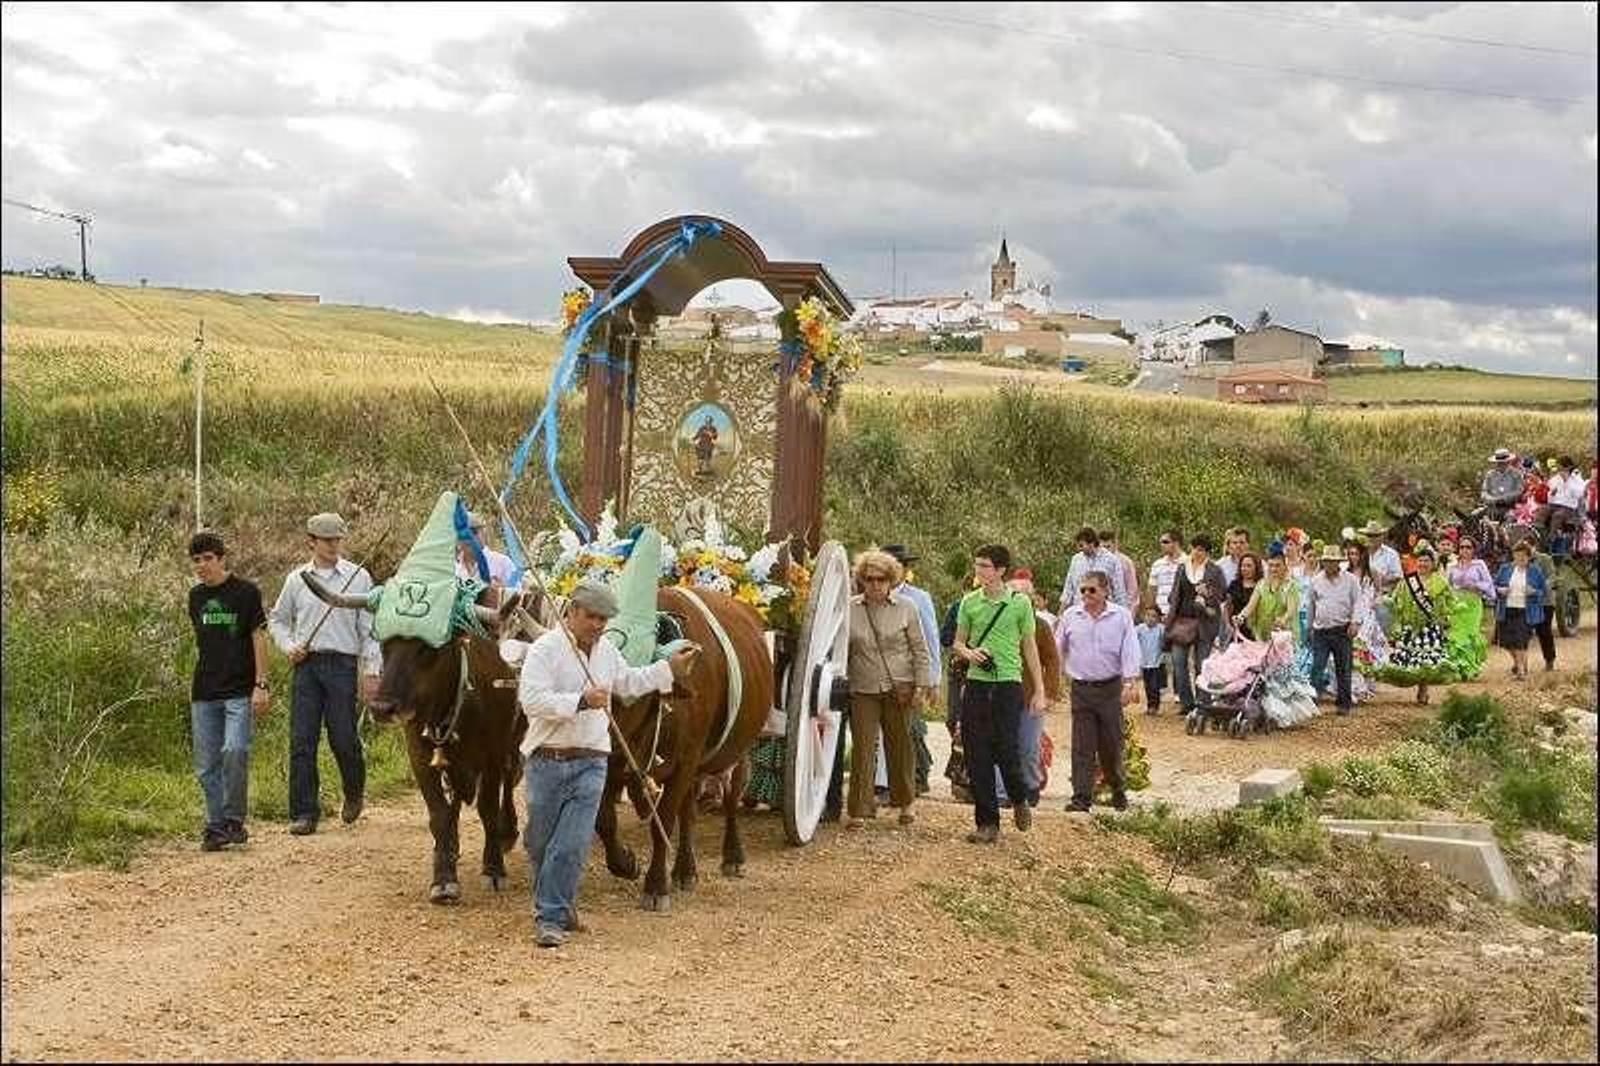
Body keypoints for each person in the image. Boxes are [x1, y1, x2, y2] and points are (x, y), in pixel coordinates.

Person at [517, 581, 695, 947]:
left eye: (603, 619)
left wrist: (668, 669)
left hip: (592, 761)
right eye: (592, 617)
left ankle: (550, 917)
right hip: (546, 759)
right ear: (572, 611)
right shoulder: (544, 650)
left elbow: (629, 683)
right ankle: (558, 903)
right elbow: (531, 700)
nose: (598, 625)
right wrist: (581, 701)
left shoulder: (607, 651)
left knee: (571, 845)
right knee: (540, 843)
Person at [268, 512, 381, 836]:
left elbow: (369, 629)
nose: (333, 545)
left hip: (342, 665)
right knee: (302, 740)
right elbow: (277, 620)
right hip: (306, 666)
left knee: (343, 737)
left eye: (337, 539)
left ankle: (354, 790)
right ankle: (304, 812)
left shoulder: (358, 576)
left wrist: (371, 670)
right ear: (312, 542)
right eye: (327, 540)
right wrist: (289, 646)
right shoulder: (296, 579)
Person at [953, 544, 1045, 844]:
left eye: (985, 566)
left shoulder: (1019, 603)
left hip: (1008, 683)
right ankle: (987, 822)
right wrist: (969, 653)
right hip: (976, 682)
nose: (979, 570)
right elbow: (958, 642)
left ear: (1001, 570)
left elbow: (1030, 646)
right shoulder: (969, 602)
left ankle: (1018, 798)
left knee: (1007, 748)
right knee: (976, 750)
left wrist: (1039, 690)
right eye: (977, 565)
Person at [186, 531, 271, 852]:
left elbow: (258, 638)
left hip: (239, 690)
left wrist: (261, 684)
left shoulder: (246, 593)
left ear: (221, 559)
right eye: (196, 560)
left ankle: (234, 818)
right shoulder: (195, 597)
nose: (202, 565)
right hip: (204, 690)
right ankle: (216, 825)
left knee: (235, 750)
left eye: (208, 558)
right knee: (206, 763)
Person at [845, 550, 932, 829]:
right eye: (870, 579)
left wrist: (922, 685)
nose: (875, 584)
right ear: (862, 580)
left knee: (901, 745)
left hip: (899, 687)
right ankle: (859, 810)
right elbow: (840, 649)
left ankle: (906, 802)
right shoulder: (849, 608)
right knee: (863, 748)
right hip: (863, 687)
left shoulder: (907, 607)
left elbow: (920, 649)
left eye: (881, 579)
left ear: (891, 580)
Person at [1056, 570, 1142, 813]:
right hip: (1081, 689)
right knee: (1082, 746)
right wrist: (1053, 678)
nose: (1086, 594)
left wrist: (1130, 683)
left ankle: (1117, 787)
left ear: (1105, 591)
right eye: (1082, 590)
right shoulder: (1071, 616)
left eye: (1092, 590)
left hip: (1110, 689)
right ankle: (1081, 798)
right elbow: (1057, 647)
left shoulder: (1121, 616)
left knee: (1110, 745)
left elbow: (1130, 649)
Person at [1377, 542, 1485, 703]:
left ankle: (1423, 689)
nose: (1423, 563)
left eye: (1426, 561)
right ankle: (1419, 685)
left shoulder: (1440, 582)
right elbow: (1397, 599)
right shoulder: (1408, 581)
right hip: (1412, 626)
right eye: (1420, 560)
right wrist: (1389, 603)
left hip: (1430, 626)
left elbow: (1450, 600)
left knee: (1427, 659)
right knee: (1414, 657)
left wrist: (1456, 608)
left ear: (1432, 563)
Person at [883, 544, 940, 796]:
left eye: (898, 566)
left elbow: (930, 638)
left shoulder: (919, 598)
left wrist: (932, 680)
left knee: (910, 728)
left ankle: (917, 775)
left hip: (909, 675)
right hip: (876, 673)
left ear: (905, 570)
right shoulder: (869, 594)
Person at [1166, 534, 1227, 719]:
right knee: (1178, 662)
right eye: (1194, 548)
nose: (1196, 552)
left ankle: (1203, 704)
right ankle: (1187, 703)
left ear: (1207, 552)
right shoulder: (1182, 567)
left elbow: (1221, 596)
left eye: (1200, 549)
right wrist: (1170, 616)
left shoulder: (1215, 570)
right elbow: (1174, 594)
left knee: (1202, 665)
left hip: (1204, 623)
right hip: (1182, 621)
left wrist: (1207, 594)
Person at [1307, 545, 1360, 716]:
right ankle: (1311, 702)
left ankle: (1344, 704)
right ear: (1323, 562)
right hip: (1321, 631)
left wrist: (1355, 622)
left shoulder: (1351, 580)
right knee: (1317, 666)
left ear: (1339, 562)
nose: (1330, 564)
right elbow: (1311, 605)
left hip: (1342, 630)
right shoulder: (1316, 581)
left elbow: (1358, 602)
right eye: (1327, 561)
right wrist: (1309, 627)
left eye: (1333, 561)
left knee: (1343, 668)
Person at [1494, 540, 1549, 681]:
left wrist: (1534, 592)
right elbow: (1494, 585)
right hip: (1506, 610)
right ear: (1513, 555)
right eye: (1518, 555)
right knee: (1506, 642)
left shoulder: (1535, 571)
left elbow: (1544, 591)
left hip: (1525, 611)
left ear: (1529, 557)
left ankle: (1521, 672)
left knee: (1520, 641)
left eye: (1524, 556)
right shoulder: (1505, 568)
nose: (1520, 558)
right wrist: (1500, 590)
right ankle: (1520, 663)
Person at [1059, 527, 1129, 612]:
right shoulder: (1076, 560)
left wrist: (1124, 614)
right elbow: (1068, 589)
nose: (1079, 548)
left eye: (1081, 545)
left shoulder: (1111, 560)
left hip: (1104, 612)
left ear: (1091, 543)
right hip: (1079, 611)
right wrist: (1061, 613)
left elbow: (1119, 592)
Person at [1238, 550, 1298, 644]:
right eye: (1271, 565)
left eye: (1277, 565)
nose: (1273, 569)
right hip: (1262, 636)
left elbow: (1291, 610)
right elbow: (1250, 606)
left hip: (1283, 638)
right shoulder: (1261, 584)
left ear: (1284, 566)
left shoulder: (1290, 586)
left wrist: (1283, 619)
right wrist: (1241, 617)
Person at [456, 510, 516, 587]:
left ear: (483, 533)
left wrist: (499, 589)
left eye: (474, 532)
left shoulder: (503, 563)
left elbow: (517, 590)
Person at [1542, 456, 1587, 543]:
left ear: (1567, 468)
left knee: (1557, 515)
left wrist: (1567, 481)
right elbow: (1549, 496)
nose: (1560, 471)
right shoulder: (1555, 479)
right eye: (1559, 469)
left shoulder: (1577, 480)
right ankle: (1537, 534)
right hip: (1554, 505)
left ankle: (1551, 539)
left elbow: (1579, 495)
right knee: (1542, 510)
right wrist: (1551, 494)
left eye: (1562, 468)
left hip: (1569, 508)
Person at [1134, 605, 1167, 715]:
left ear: (1158, 618)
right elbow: (1131, 637)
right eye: (1148, 615)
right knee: (1147, 685)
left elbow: (1166, 641)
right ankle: (1150, 706)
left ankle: (1155, 706)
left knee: (1155, 686)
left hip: (1157, 662)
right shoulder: (1140, 628)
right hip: (1145, 662)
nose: (1150, 618)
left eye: (1154, 616)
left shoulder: (1161, 629)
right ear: (1144, 616)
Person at [1357, 520, 1404, 595]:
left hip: (1384, 594)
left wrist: (1379, 579)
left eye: (1376, 535)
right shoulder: (1361, 553)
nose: (1373, 538)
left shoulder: (1391, 554)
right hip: (1362, 594)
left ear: (1382, 536)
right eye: (1369, 535)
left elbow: (1398, 576)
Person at [1447, 538, 1496, 607]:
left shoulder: (1479, 564)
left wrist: (1475, 585)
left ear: (1474, 549)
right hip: (1457, 603)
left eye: (1468, 547)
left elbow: (1488, 584)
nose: (1465, 550)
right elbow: (1448, 585)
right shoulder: (1452, 566)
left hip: (1474, 602)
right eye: (1462, 547)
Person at [1480, 447, 1526, 520]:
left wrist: (1502, 499)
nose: (1500, 464)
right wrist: (1491, 499)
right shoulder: (1490, 475)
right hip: (1491, 507)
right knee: (1474, 515)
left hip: (1509, 507)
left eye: (1503, 462)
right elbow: (1484, 492)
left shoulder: (1516, 474)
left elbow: (1519, 491)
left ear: (1508, 462)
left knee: (1510, 518)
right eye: (1498, 462)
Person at [1147, 528, 1183, 618]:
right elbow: (1152, 590)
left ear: (1176, 543)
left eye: (1165, 542)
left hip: (1180, 615)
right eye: (1161, 542)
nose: (1162, 545)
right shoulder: (1157, 564)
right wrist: (1151, 613)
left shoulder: (1188, 563)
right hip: (1160, 615)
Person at [1100, 529, 1141, 609]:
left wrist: (1129, 610)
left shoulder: (1125, 562)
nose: (1105, 551)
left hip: (1120, 607)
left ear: (1115, 545)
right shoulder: (1097, 562)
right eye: (1103, 547)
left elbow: (1132, 589)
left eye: (1108, 547)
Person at [1226, 552, 1263, 640]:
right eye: (1242, 566)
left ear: (1256, 567)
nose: (1244, 569)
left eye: (1249, 566)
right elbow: (1227, 607)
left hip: (1256, 631)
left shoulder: (1262, 585)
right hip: (1237, 629)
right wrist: (1228, 624)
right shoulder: (1234, 584)